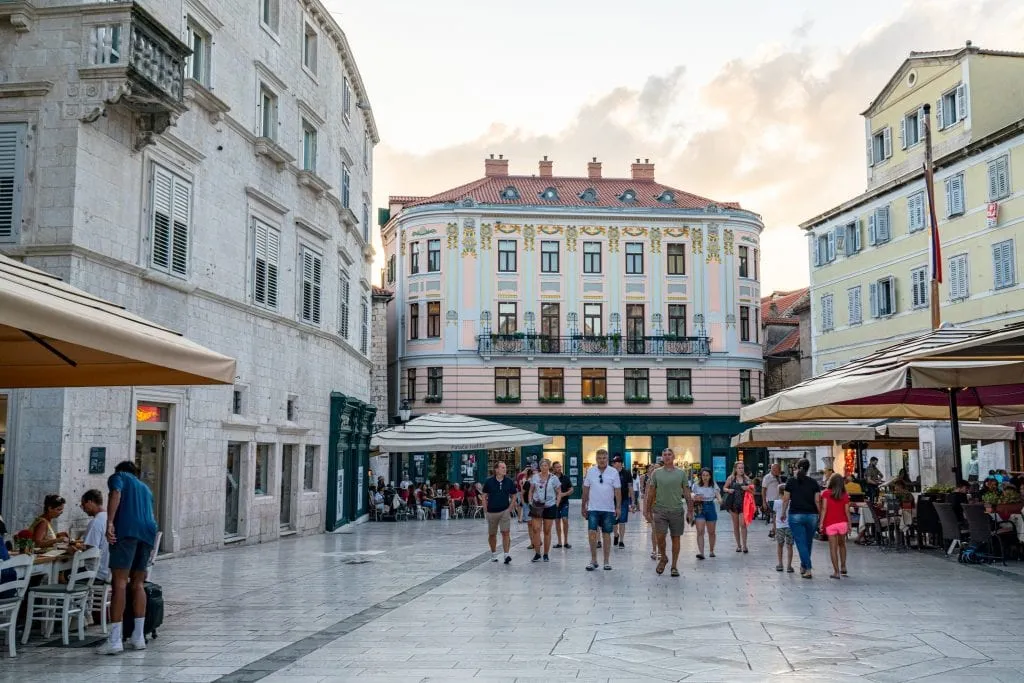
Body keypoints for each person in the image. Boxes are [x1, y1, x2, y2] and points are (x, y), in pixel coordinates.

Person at [99, 460, 159, 655]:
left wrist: (109, 523)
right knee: (138, 583)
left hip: (127, 531)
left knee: (119, 583)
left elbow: (115, 494)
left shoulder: (118, 477)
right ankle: (138, 636)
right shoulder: (145, 488)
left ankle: (115, 639)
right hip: (148, 533)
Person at [644, 448, 693, 577]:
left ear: (674, 457)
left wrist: (690, 510)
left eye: (669, 454)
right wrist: (647, 510)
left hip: (676, 510)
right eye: (664, 455)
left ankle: (674, 566)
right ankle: (664, 557)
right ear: (662, 457)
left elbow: (687, 492)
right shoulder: (656, 473)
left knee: (676, 538)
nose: (667, 457)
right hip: (660, 510)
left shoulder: (681, 473)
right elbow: (651, 492)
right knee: (660, 537)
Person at [781, 458, 821, 580]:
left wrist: (783, 512)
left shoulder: (791, 481)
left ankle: (808, 568)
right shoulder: (814, 483)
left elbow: (786, 499)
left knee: (800, 543)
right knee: (808, 542)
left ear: (797, 467)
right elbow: (817, 500)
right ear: (808, 468)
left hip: (795, 515)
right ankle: (804, 566)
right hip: (811, 515)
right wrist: (820, 514)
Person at [581, 449, 620, 571]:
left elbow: (618, 491)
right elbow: (585, 490)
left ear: (607, 459)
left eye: (604, 458)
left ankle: (606, 561)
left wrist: (618, 507)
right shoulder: (591, 472)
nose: (602, 460)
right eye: (600, 458)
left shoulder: (613, 472)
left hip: (608, 509)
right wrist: (583, 505)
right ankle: (593, 560)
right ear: (596, 459)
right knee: (592, 533)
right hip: (593, 508)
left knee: (606, 534)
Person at [482, 462, 516, 565]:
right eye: (502, 468)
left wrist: (510, 508)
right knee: (492, 534)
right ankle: (493, 553)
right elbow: (484, 496)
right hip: (492, 512)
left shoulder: (509, 481)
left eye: (505, 468)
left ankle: (506, 554)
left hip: (504, 511)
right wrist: (485, 510)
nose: (505, 469)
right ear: (496, 470)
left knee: (506, 532)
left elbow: (514, 495)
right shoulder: (489, 482)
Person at [821, 473, 852, 580]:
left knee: (833, 548)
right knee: (842, 545)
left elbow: (824, 509)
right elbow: (847, 511)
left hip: (830, 524)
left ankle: (836, 572)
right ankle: (843, 566)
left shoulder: (825, 493)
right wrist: (850, 524)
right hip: (842, 523)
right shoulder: (845, 495)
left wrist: (821, 523)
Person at [528, 459, 560, 562]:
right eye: (542, 465)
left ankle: (546, 554)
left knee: (547, 530)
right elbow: (531, 490)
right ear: (540, 467)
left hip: (550, 505)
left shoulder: (554, 478)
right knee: (536, 529)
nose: (544, 467)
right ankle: (537, 553)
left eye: (546, 465)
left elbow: (559, 491)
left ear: (549, 466)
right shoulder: (535, 477)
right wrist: (529, 501)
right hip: (537, 505)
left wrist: (557, 503)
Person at [723, 461, 754, 553]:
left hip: (744, 505)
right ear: (735, 469)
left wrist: (748, 488)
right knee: (735, 526)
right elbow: (724, 488)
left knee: (743, 525)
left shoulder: (746, 479)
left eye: (742, 468)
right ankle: (738, 546)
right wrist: (728, 490)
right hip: (733, 504)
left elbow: (752, 490)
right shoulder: (731, 478)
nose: (741, 470)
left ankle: (745, 545)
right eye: (739, 468)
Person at [80, 489, 111, 583]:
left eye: (83, 505)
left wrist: (75, 550)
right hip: (110, 571)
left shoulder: (96, 522)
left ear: (90, 502)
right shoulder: (110, 519)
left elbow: (91, 551)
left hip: (98, 573)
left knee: (62, 575)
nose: (83, 508)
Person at [691, 467, 720, 560]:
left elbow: (717, 493)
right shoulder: (696, 485)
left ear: (710, 476)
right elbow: (691, 494)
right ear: (700, 476)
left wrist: (720, 499)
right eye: (703, 475)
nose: (705, 477)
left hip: (710, 506)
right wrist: (694, 497)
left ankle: (711, 550)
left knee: (711, 532)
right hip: (700, 507)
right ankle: (701, 552)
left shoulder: (713, 485)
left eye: (707, 475)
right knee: (700, 531)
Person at [771, 476, 794, 573]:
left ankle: (780, 564)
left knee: (780, 545)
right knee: (790, 546)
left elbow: (774, 516)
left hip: (780, 526)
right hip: (789, 526)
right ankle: (789, 565)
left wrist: (773, 527)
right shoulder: (791, 502)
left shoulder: (776, 502)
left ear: (779, 492)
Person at [611, 455, 632, 549]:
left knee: (622, 521)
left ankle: (621, 541)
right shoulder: (610, 473)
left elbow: (630, 487)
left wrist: (633, 501)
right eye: (615, 462)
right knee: (614, 521)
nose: (616, 464)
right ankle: (616, 535)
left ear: (621, 463)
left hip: (624, 500)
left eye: (618, 462)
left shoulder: (626, 473)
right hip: (612, 500)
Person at [552, 461, 574, 550]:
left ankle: (566, 541)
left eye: (559, 467)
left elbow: (572, 489)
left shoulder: (565, 478)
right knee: (557, 521)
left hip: (564, 502)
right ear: (553, 468)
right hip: (554, 503)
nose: (559, 468)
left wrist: (564, 494)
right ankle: (559, 542)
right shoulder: (551, 478)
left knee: (565, 520)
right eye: (557, 467)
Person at [761, 463, 782, 536]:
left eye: (777, 470)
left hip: (779, 499)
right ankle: (775, 532)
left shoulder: (779, 477)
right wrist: (764, 502)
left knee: (776, 516)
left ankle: (773, 530)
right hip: (771, 500)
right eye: (774, 469)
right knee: (775, 516)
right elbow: (763, 490)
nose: (776, 471)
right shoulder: (767, 477)